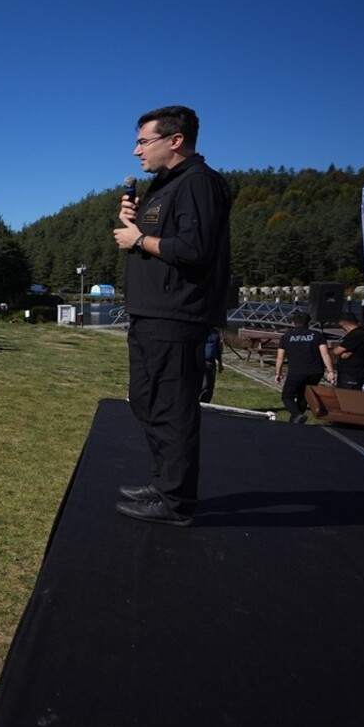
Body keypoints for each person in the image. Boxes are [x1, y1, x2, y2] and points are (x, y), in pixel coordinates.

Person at [111, 105, 232, 527]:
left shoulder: (198, 184)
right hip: (151, 312)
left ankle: (176, 500)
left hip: (176, 315)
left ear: (174, 140)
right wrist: (136, 224)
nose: (135, 151)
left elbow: (195, 250)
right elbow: (163, 238)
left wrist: (140, 238)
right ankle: (164, 481)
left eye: (144, 141)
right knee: (147, 400)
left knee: (172, 405)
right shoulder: (168, 185)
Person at [274, 311, 336, 423]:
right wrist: (330, 371)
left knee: (287, 396)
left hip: (297, 371)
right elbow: (325, 353)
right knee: (304, 395)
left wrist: (278, 373)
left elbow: (280, 357)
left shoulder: (286, 337)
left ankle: (297, 414)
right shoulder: (317, 335)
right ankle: (295, 420)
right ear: (309, 323)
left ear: (293, 323)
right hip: (316, 371)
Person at [329, 312, 364, 391]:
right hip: (352, 372)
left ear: (342, 323)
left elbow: (336, 351)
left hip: (352, 373)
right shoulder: (361, 333)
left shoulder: (356, 334)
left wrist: (339, 351)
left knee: (347, 396)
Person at [200, 327, 224, 403]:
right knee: (202, 385)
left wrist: (220, 363)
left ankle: (205, 403)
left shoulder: (215, 334)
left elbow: (217, 350)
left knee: (209, 387)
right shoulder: (199, 331)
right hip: (200, 360)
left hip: (210, 362)